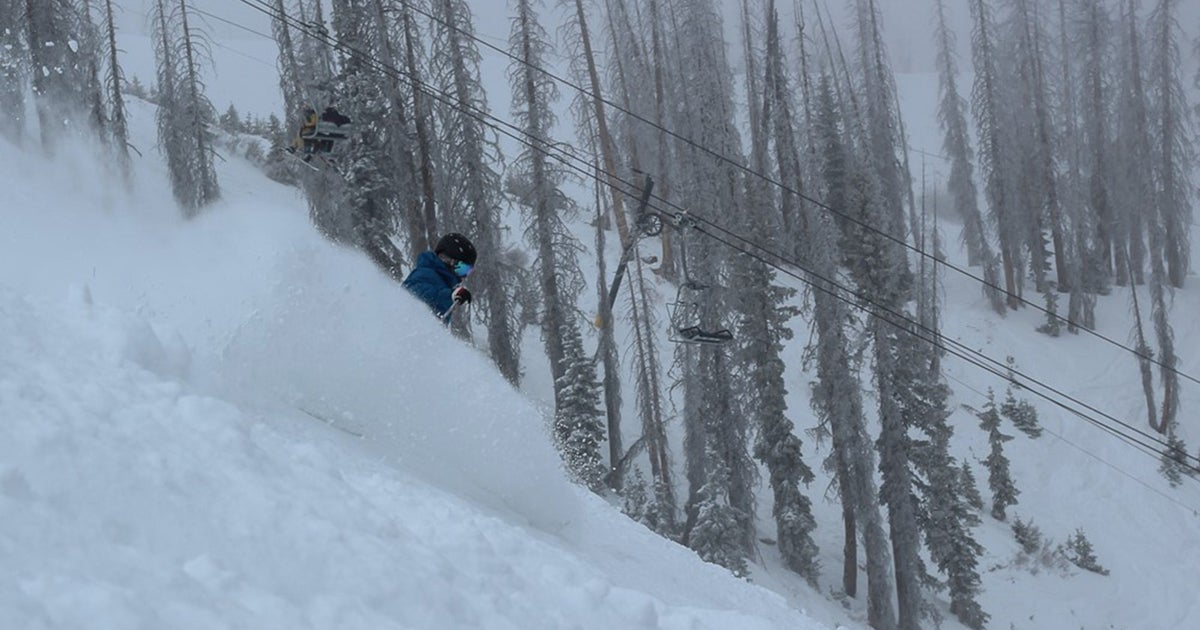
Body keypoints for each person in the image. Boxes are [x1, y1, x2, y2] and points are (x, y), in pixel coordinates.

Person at [402, 233, 476, 323]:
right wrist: (450, 295)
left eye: (468, 271)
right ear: (449, 261)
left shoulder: (442, 282)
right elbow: (420, 294)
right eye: (462, 269)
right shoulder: (425, 274)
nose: (464, 276)